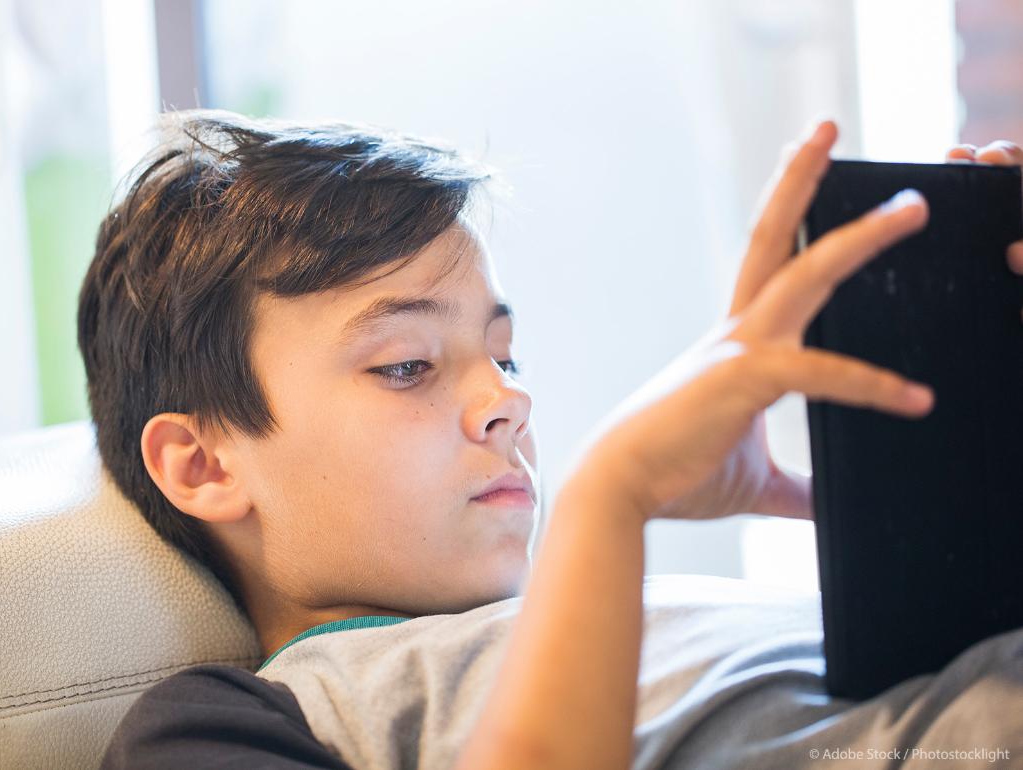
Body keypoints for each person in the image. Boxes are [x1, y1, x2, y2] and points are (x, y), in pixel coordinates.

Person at [83, 110, 1023, 769]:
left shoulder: (663, 603)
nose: (505, 401)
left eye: (506, 357)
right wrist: (608, 506)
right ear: (204, 464)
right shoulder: (244, 722)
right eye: (407, 364)